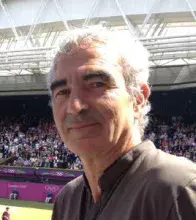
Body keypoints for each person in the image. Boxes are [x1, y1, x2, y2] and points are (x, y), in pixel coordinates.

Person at [49, 27, 196, 220]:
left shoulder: (179, 190)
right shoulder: (68, 199)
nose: (75, 106)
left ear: (138, 98)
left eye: (97, 84)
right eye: (62, 92)